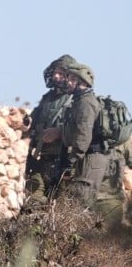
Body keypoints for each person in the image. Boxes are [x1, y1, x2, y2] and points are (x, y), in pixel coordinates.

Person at [43, 62, 110, 202]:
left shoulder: (86, 103)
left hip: (90, 157)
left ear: (83, 83)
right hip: (85, 156)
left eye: (73, 79)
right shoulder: (79, 101)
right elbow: (74, 129)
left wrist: (71, 160)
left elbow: (83, 135)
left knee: (81, 200)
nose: (69, 82)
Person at [23, 54, 77, 198]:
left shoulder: (78, 100)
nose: (56, 76)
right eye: (55, 72)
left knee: (61, 205)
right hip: (41, 160)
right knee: (33, 201)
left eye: (60, 73)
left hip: (64, 163)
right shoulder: (47, 98)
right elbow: (32, 121)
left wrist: (59, 133)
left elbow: (83, 130)